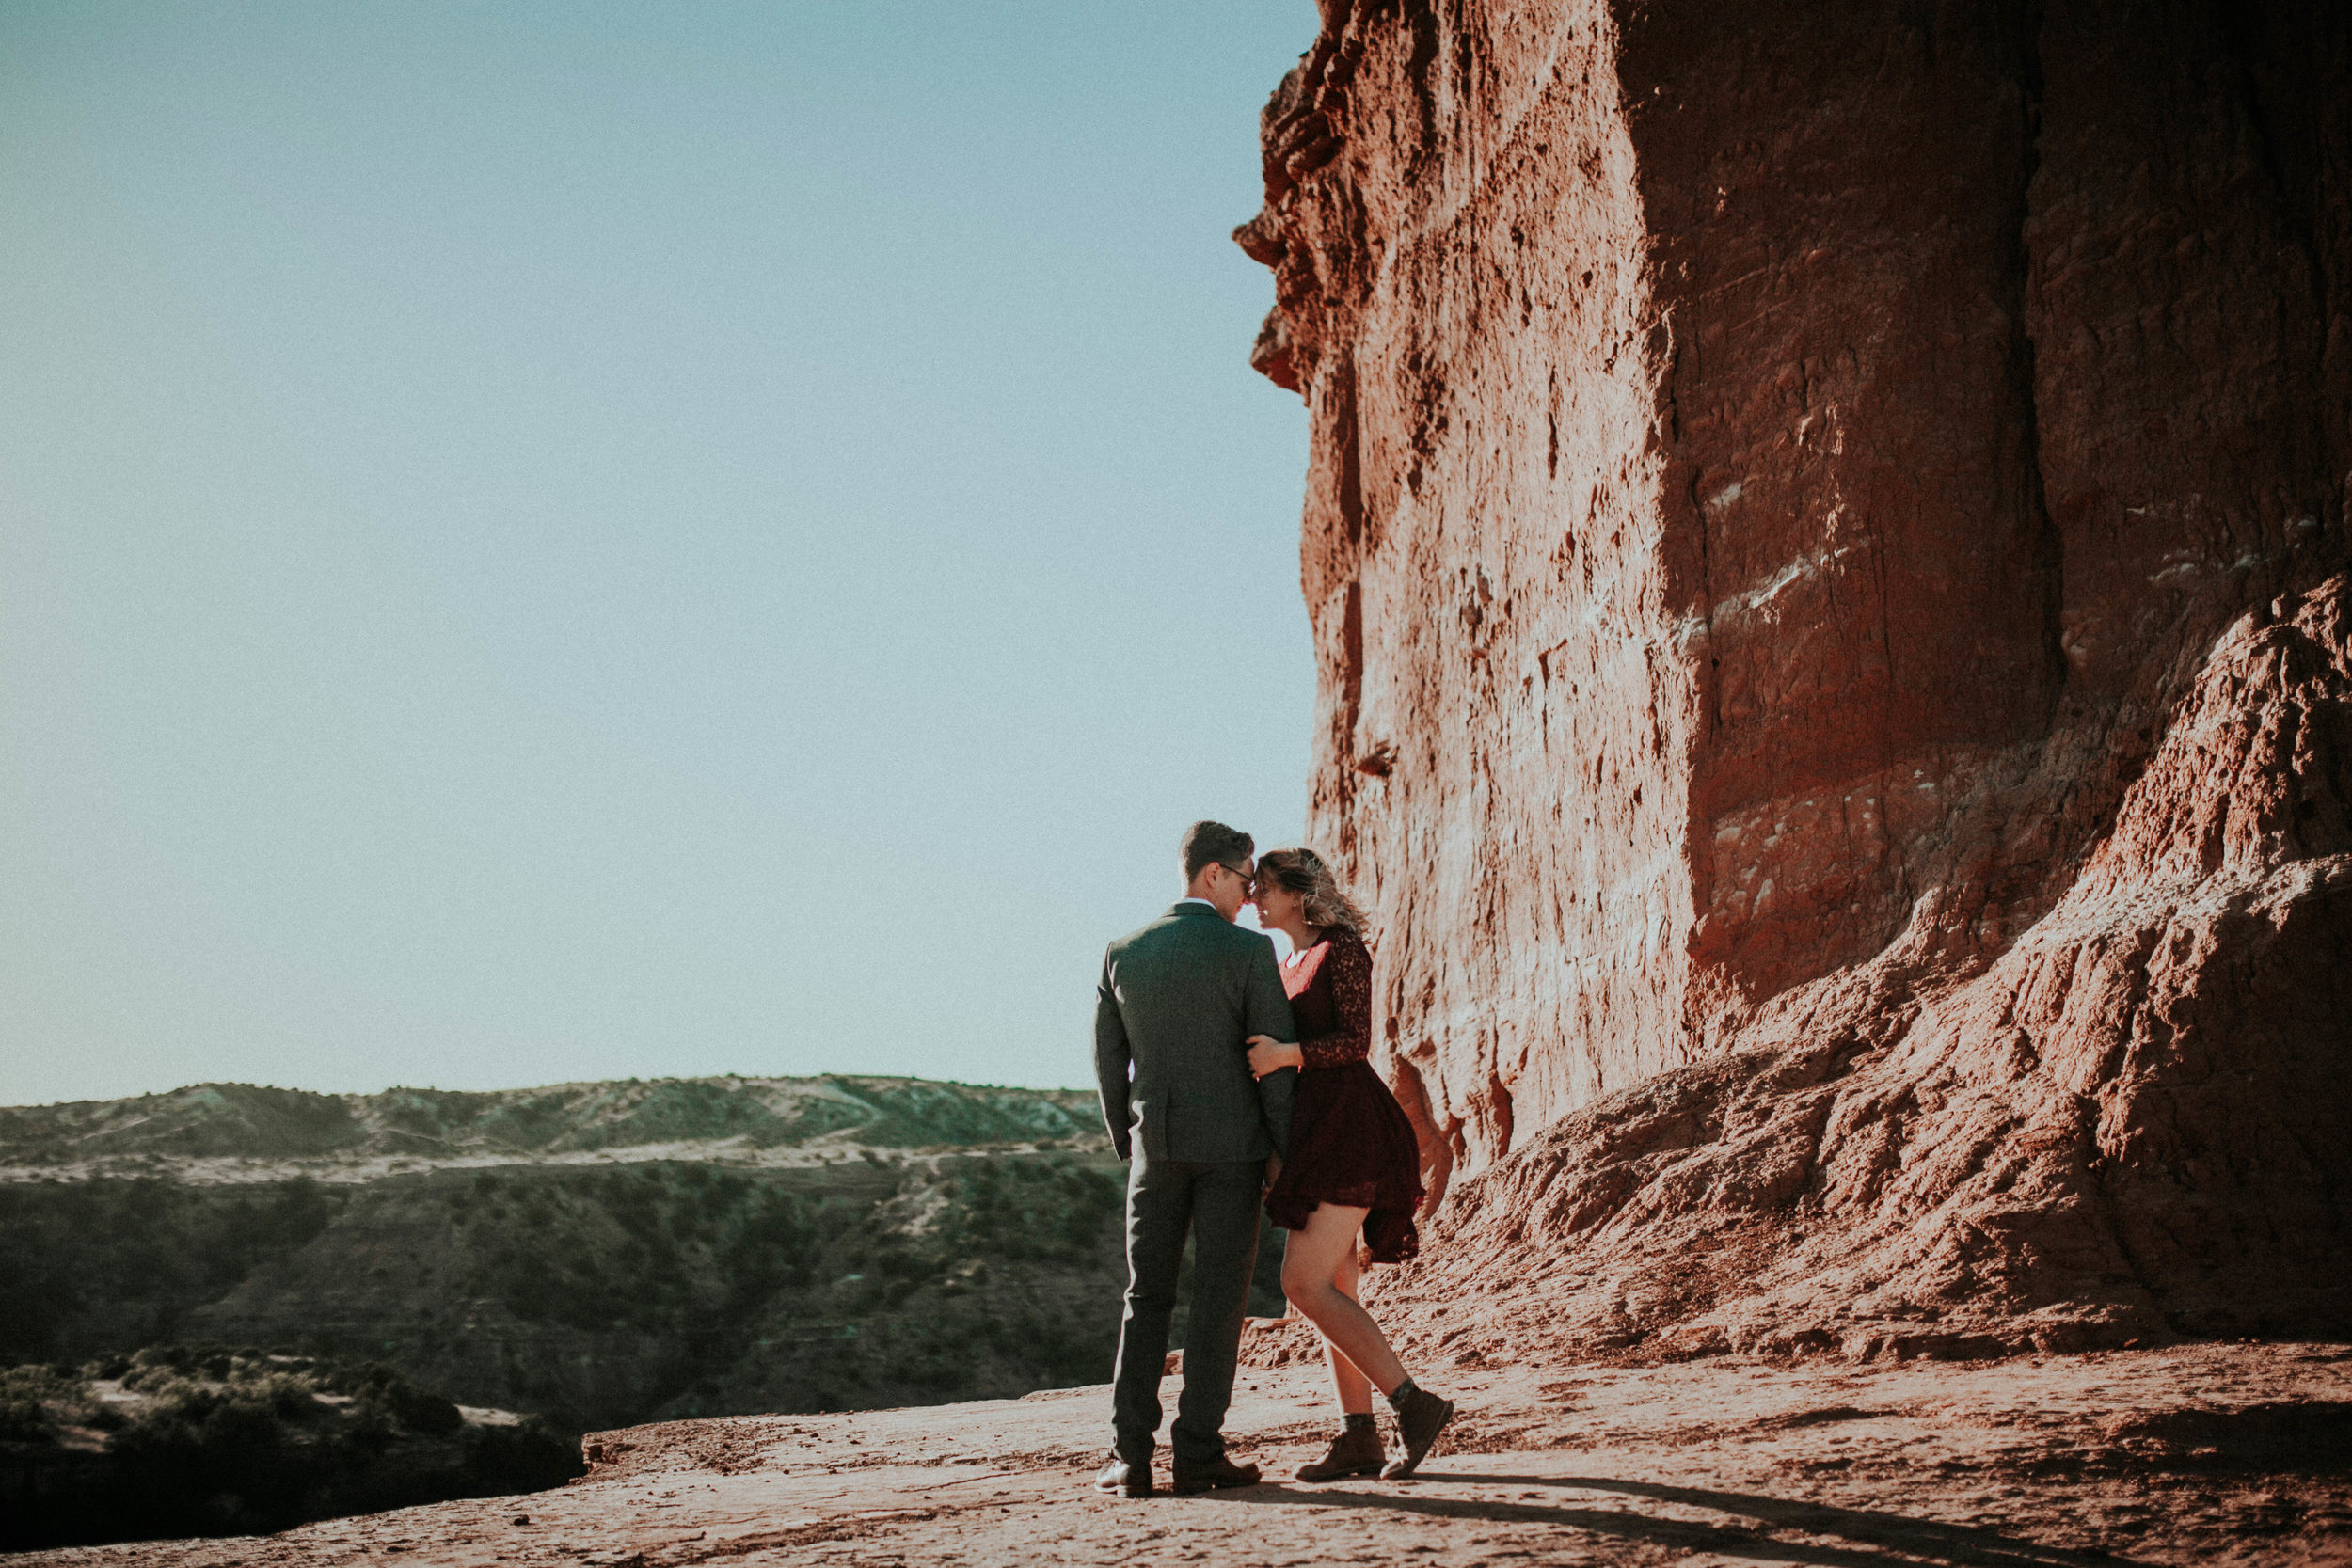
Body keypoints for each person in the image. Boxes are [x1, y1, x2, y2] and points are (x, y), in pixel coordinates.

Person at [1092, 820, 1300, 1498]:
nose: (1248, 896)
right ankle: (1199, 1454)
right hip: (1235, 1152)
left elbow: (1107, 1062)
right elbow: (1273, 1066)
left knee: (1143, 1297)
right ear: (1213, 873)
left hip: (1158, 1151)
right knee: (1217, 1301)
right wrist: (1282, 1151)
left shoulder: (1123, 951)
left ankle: (1131, 1459)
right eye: (1245, 880)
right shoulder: (1248, 952)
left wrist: (1133, 1142)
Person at [1245, 847, 1454, 1481]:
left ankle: (1415, 1406)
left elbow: (1355, 1041)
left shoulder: (1342, 949)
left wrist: (1285, 1055)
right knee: (1334, 1287)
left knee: (1301, 1285)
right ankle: (1358, 1437)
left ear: (1298, 894)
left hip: (1352, 1130)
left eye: (1265, 888)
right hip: (1317, 1135)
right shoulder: (1287, 960)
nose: (1256, 897)